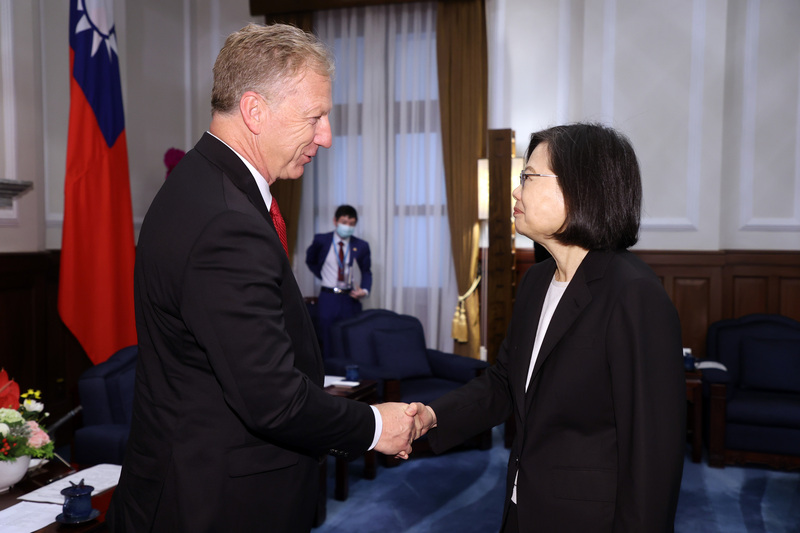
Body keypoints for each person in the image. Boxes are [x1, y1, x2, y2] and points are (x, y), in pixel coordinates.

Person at [108, 23, 418, 533]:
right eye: (315, 117)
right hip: (216, 504)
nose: (327, 136)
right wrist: (378, 426)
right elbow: (272, 401)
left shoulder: (202, 184)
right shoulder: (225, 218)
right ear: (255, 110)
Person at [408, 123, 686, 533]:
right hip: (523, 505)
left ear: (580, 188)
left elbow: (652, 457)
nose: (516, 192)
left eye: (527, 177)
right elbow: (505, 383)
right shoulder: (537, 281)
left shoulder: (634, 295)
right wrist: (429, 416)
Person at [305, 204, 372, 357]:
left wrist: (365, 290)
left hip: (350, 299)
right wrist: (324, 276)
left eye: (351, 223)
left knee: (351, 341)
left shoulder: (361, 246)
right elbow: (311, 261)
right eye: (344, 222)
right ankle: (328, 376)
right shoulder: (321, 240)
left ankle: (351, 378)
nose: (347, 226)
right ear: (335, 221)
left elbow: (367, 271)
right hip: (328, 298)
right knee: (327, 340)